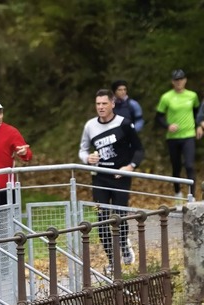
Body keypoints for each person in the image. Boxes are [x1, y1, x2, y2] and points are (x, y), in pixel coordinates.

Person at [79, 89, 144, 274]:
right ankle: (112, 260)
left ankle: (123, 244)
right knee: (100, 218)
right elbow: (82, 150)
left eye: (104, 103)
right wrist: (87, 159)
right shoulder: (90, 126)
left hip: (120, 178)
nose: (100, 107)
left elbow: (139, 150)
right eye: (98, 104)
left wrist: (130, 166)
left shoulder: (124, 124)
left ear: (112, 104)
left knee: (119, 216)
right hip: (99, 178)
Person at [155, 69, 199, 198]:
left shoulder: (192, 95)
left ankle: (192, 195)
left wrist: (199, 126)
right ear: (172, 82)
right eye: (176, 80)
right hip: (173, 137)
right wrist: (168, 125)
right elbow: (159, 116)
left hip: (188, 135)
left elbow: (197, 113)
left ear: (185, 80)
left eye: (181, 79)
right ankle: (177, 193)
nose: (179, 82)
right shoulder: (166, 97)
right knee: (176, 167)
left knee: (190, 165)